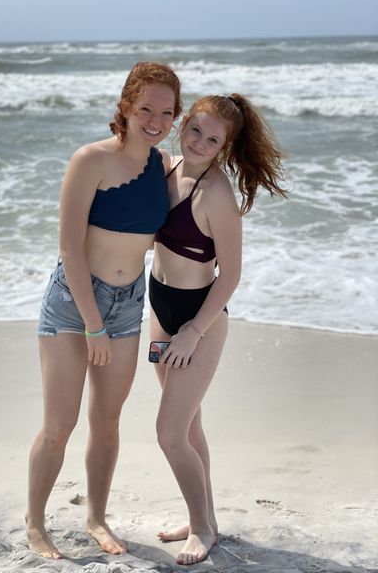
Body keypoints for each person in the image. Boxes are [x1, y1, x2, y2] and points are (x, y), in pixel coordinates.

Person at [26, 62, 182, 559]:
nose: (155, 121)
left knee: (108, 423)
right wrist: (93, 325)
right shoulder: (89, 160)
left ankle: (96, 517)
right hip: (75, 305)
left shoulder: (164, 165)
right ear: (126, 106)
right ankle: (35, 523)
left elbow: (201, 191)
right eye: (146, 109)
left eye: (167, 113)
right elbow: (69, 248)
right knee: (59, 426)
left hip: (128, 304)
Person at [149, 94, 287, 566]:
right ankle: (201, 515)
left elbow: (231, 275)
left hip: (200, 319)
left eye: (213, 140)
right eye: (195, 130)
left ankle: (203, 529)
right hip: (159, 307)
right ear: (182, 123)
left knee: (169, 432)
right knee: (189, 424)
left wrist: (192, 331)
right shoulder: (166, 169)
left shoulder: (217, 196)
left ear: (224, 147)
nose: (200, 143)